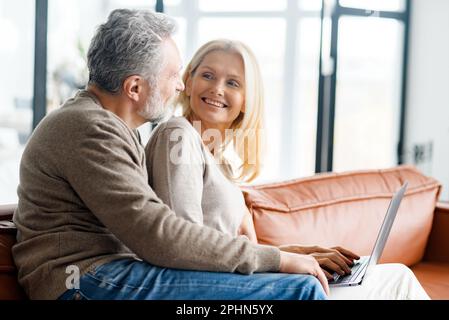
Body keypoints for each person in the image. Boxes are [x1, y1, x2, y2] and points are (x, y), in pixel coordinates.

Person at [12, 9, 329, 300]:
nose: (180, 86)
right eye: (173, 75)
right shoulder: (89, 129)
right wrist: (278, 259)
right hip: (84, 282)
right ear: (135, 88)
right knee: (300, 292)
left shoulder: (111, 128)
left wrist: (279, 255)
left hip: (112, 275)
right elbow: (161, 236)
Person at [144, 39, 430, 300]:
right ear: (188, 81)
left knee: (393, 277)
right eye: (207, 75)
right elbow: (185, 244)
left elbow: (230, 249)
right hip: (217, 291)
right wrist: (286, 259)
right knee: (397, 281)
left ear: (246, 100)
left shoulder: (219, 159)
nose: (218, 88)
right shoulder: (178, 135)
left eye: (233, 83)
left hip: (239, 281)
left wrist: (303, 253)